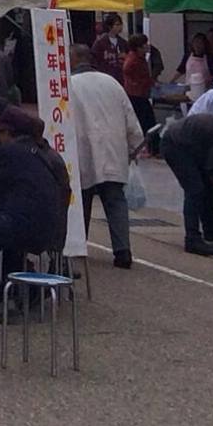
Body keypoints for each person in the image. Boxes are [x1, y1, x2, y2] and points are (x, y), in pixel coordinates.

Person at [0, 106, 70, 319]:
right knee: (0, 243)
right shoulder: (44, 153)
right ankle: (27, 291)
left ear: (9, 133)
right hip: (50, 227)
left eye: (0, 132)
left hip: (19, 221)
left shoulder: (9, 152)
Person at [69, 46, 145, 267]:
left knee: (82, 200)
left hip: (82, 149)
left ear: (73, 60)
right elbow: (130, 118)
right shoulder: (112, 83)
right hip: (113, 150)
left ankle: (78, 247)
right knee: (115, 200)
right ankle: (123, 251)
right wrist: (135, 146)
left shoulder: (70, 85)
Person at [159, 85, 213, 255]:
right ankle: (192, 239)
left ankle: (211, 230)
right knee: (195, 189)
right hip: (175, 144)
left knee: (208, 189)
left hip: (193, 146)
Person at [121, 35, 157, 135]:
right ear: (139, 47)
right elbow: (130, 72)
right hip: (137, 95)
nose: (147, 45)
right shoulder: (134, 60)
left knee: (147, 121)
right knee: (146, 122)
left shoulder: (139, 58)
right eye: (145, 44)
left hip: (139, 93)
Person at [89, 15, 127, 81]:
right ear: (110, 26)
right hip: (105, 75)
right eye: (117, 25)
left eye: (121, 24)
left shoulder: (123, 42)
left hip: (119, 76)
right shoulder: (100, 42)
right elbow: (94, 59)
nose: (120, 27)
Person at [181, 31, 213, 99]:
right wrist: (171, 82)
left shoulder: (210, 58)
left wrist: (205, 83)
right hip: (189, 90)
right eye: (195, 42)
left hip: (205, 92)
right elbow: (181, 69)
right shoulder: (188, 55)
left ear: (205, 45)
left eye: (200, 43)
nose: (197, 45)